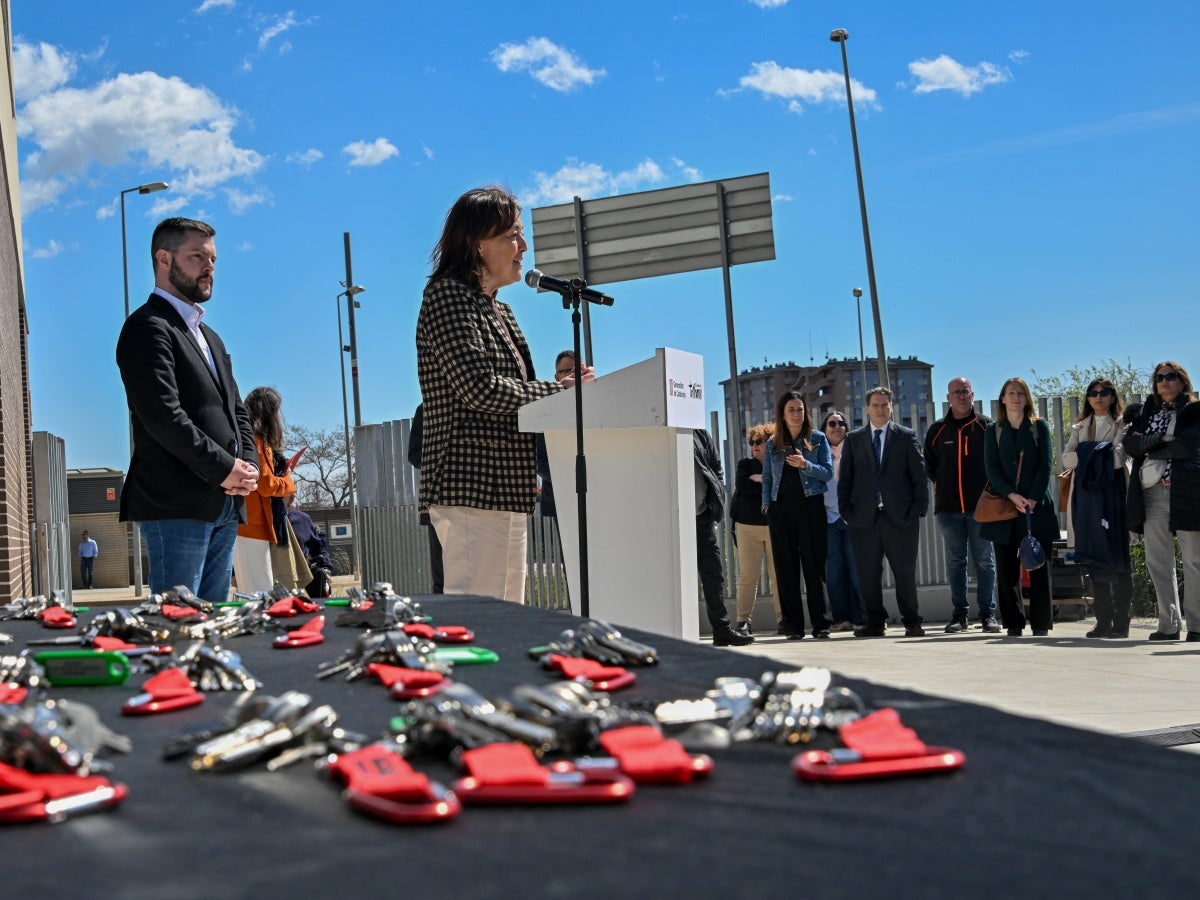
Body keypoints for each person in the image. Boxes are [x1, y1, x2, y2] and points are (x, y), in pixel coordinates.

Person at [415, 186, 592, 602]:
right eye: (512, 234)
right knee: (480, 620)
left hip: (506, 487)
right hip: (470, 484)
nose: (524, 246)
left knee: (508, 615)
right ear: (477, 243)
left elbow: (513, 394)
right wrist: (558, 389)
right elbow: (479, 387)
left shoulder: (498, 308)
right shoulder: (447, 296)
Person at [116, 217, 259, 603]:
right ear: (164, 259)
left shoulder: (210, 336)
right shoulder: (147, 328)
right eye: (197, 256)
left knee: (211, 629)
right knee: (178, 628)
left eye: (212, 258)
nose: (209, 266)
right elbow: (163, 416)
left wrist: (248, 465)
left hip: (225, 503)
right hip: (175, 505)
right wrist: (224, 469)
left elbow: (237, 411)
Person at [837, 386, 929, 638]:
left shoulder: (905, 435)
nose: (880, 409)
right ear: (866, 408)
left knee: (904, 572)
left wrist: (918, 509)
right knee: (867, 574)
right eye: (875, 405)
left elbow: (919, 476)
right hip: (864, 519)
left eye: (884, 405)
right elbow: (845, 478)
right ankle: (874, 622)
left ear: (891, 407)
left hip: (900, 518)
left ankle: (912, 621)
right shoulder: (855, 439)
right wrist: (847, 511)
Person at [1124, 361, 1200, 641]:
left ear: (1182, 381)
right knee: (1158, 561)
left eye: (1171, 377)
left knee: (1193, 560)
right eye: (1159, 378)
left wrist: (1151, 448)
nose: (1164, 381)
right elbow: (1130, 445)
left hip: (1186, 491)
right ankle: (1168, 625)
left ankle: (1197, 625)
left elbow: (1185, 446)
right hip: (1152, 491)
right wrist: (1161, 438)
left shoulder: (1193, 411)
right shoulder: (1146, 412)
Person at [980, 377, 1056, 637]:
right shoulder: (994, 429)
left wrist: (1033, 498)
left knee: (1038, 565)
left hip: (1036, 508)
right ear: (1002, 399)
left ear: (1027, 399)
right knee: (1006, 567)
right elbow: (991, 468)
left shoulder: (1039, 427)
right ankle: (1013, 622)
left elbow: (1046, 465)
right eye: (1011, 393)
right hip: (1004, 507)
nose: (1015, 398)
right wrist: (1011, 495)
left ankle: (1041, 623)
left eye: (1020, 393)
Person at [924, 377, 1000, 633]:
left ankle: (988, 614)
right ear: (948, 398)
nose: (961, 396)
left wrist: (989, 492)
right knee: (956, 562)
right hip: (949, 509)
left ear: (972, 394)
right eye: (956, 393)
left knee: (984, 561)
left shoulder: (986, 426)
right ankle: (960, 615)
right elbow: (930, 466)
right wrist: (941, 486)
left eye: (965, 392)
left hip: (982, 508)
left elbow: (996, 463)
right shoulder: (937, 430)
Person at [1062, 378, 1132, 638]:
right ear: (1088, 398)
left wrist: (1085, 454)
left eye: (1104, 393)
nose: (1098, 397)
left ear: (1113, 397)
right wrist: (1096, 452)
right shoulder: (1079, 425)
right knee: (1094, 557)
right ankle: (1103, 620)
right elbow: (1066, 458)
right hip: (1087, 497)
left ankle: (1122, 623)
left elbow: (1118, 459)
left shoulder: (1123, 423)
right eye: (1093, 393)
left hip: (1114, 494)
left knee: (1119, 559)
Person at [761, 392, 834, 640]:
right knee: (785, 568)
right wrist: (767, 506)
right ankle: (792, 627)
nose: (796, 414)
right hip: (780, 510)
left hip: (810, 506)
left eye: (800, 409)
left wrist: (805, 465)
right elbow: (768, 478)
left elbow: (827, 473)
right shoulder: (773, 443)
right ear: (782, 414)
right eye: (791, 409)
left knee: (814, 566)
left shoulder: (818, 438)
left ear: (806, 412)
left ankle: (821, 625)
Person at [233, 387, 297, 593]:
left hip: (245, 523)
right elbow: (266, 485)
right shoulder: (256, 442)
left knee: (250, 590)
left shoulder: (245, 438)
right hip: (252, 524)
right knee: (260, 591)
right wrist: (289, 483)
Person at [695, 426, 753, 646]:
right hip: (670, 517)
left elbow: (716, 468)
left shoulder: (699, 433)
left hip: (700, 515)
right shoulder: (665, 428)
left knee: (713, 574)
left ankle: (722, 629)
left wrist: (712, 501)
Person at [729, 422, 782, 635]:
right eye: (752, 443)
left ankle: (783, 619)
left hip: (774, 527)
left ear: (770, 443)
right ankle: (743, 621)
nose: (754, 446)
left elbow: (781, 486)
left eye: (759, 442)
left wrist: (761, 480)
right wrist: (763, 482)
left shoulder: (780, 464)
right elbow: (742, 486)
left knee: (778, 575)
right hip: (746, 527)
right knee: (748, 575)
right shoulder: (745, 465)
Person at [821, 410, 864, 632]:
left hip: (852, 519)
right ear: (824, 429)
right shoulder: (818, 452)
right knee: (835, 572)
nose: (837, 427)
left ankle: (861, 617)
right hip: (829, 520)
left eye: (841, 423)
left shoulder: (855, 449)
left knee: (857, 569)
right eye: (832, 423)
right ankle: (841, 618)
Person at [535, 349, 577, 521]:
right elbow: (539, 461)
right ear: (557, 377)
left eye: (577, 370)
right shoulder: (545, 412)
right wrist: (571, 480)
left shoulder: (596, 408)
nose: (573, 375)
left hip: (597, 497)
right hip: (559, 499)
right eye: (567, 371)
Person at [408, 403, 445, 594]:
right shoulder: (426, 409)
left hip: (474, 504)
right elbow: (414, 455)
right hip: (437, 501)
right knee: (442, 579)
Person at [286, 496, 333, 598]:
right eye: (287, 493)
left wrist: (326, 568)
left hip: (304, 569)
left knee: (319, 574)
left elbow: (319, 544)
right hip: (278, 572)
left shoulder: (303, 519)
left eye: (294, 493)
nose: (293, 496)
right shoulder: (265, 519)